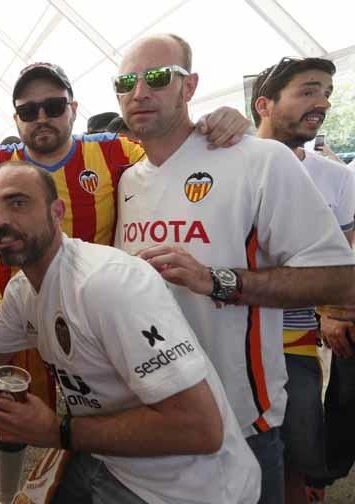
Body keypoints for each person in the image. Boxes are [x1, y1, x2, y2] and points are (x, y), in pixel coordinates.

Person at [0, 61, 249, 504]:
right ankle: (7, 494)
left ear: (73, 109)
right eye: (29, 110)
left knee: (104, 419)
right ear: (16, 119)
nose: (42, 117)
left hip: (106, 318)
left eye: (53, 106)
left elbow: (175, 147)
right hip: (30, 318)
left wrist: (222, 127)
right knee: (14, 420)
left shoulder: (113, 151)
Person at [113, 34, 355, 504]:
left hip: (241, 425)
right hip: (156, 420)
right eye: (126, 82)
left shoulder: (257, 159)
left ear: (190, 87)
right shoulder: (127, 179)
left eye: (158, 77)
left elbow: (340, 278)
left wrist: (218, 281)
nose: (139, 91)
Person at [0, 160, 261, 503]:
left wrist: (57, 430)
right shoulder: (22, 292)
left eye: (18, 202)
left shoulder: (106, 283)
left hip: (186, 489)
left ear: (56, 212)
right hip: (107, 458)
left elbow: (201, 428)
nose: (0, 220)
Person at [252, 56, 355, 503]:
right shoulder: (227, 164)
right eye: (309, 91)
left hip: (296, 340)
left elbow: (348, 254)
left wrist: (335, 311)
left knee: (302, 447)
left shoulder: (336, 177)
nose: (323, 103)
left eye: (327, 93)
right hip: (235, 334)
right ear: (265, 105)